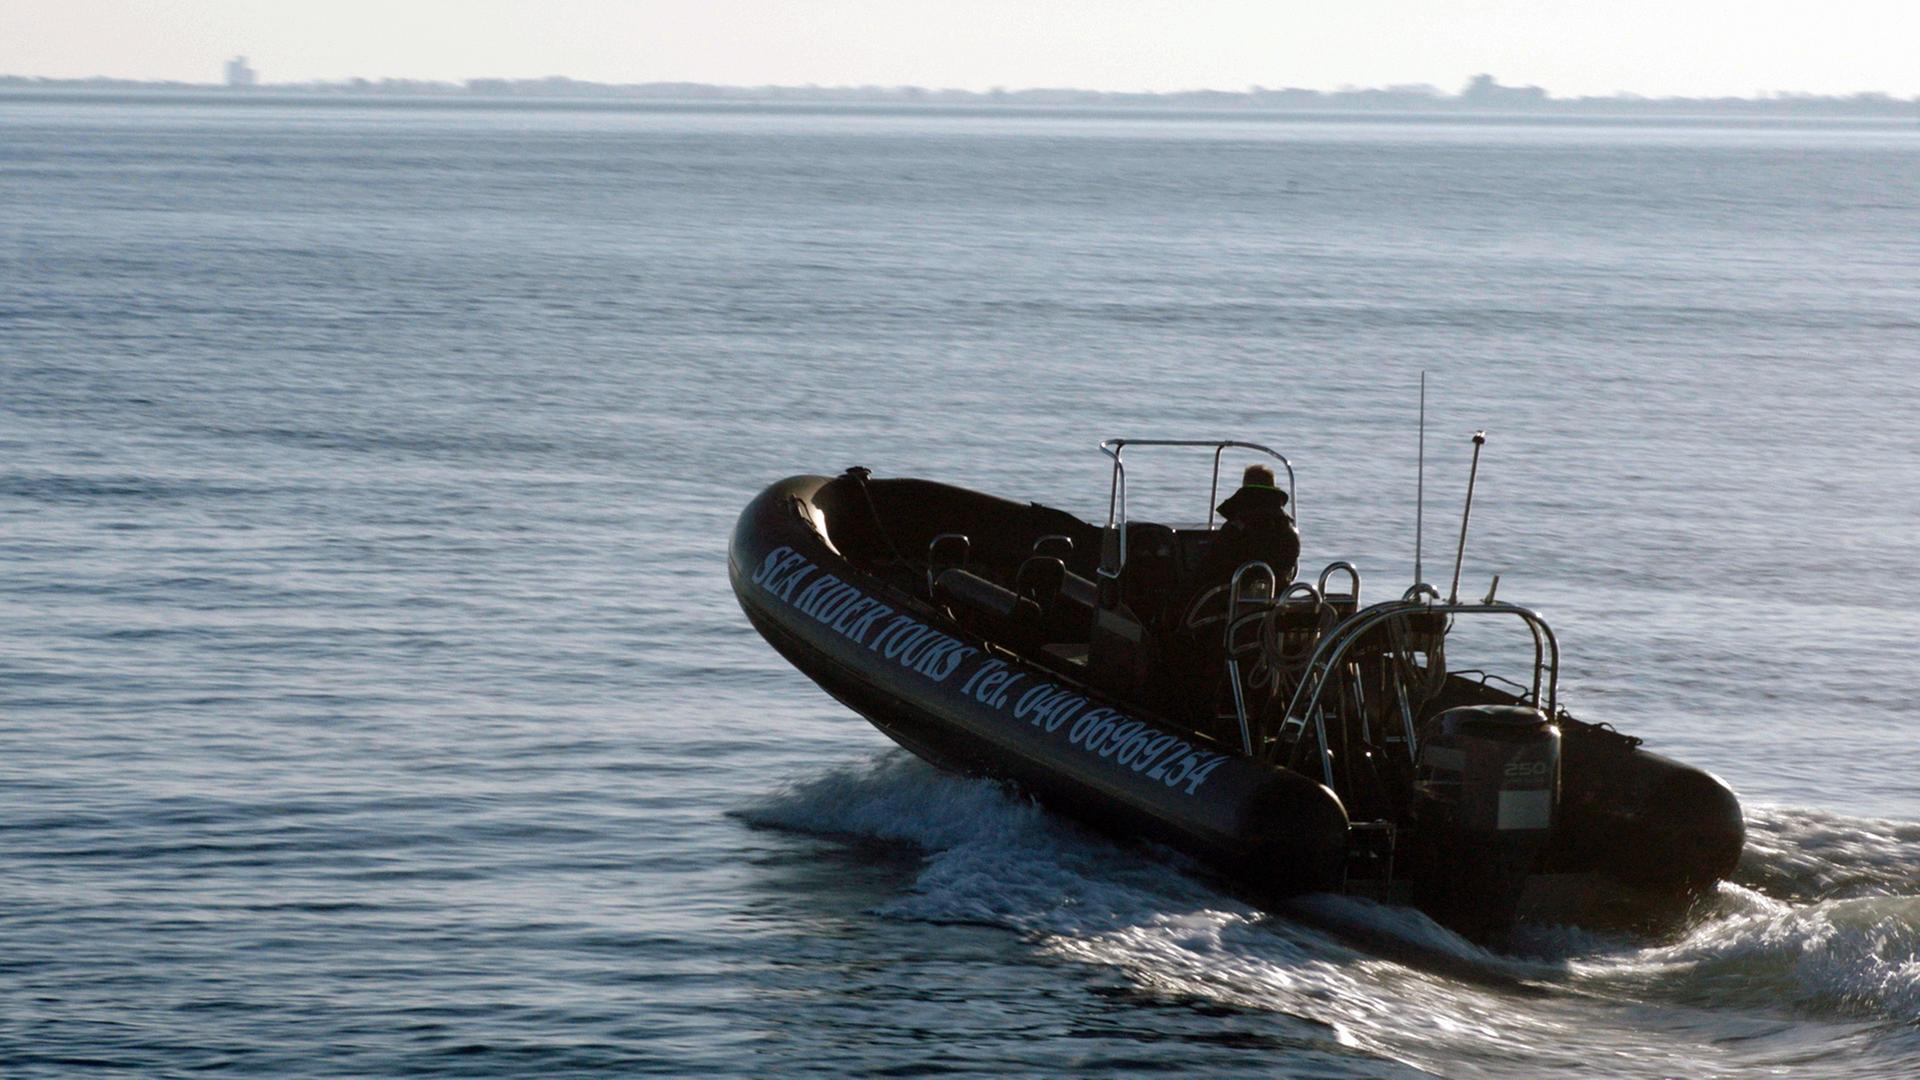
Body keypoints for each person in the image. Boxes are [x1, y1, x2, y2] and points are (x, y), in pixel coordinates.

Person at [1189, 464, 1300, 609]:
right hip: (1274, 605)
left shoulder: (1236, 528)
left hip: (1230, 606)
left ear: (1245, 488)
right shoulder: (1288, 530)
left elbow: (1211, 567)